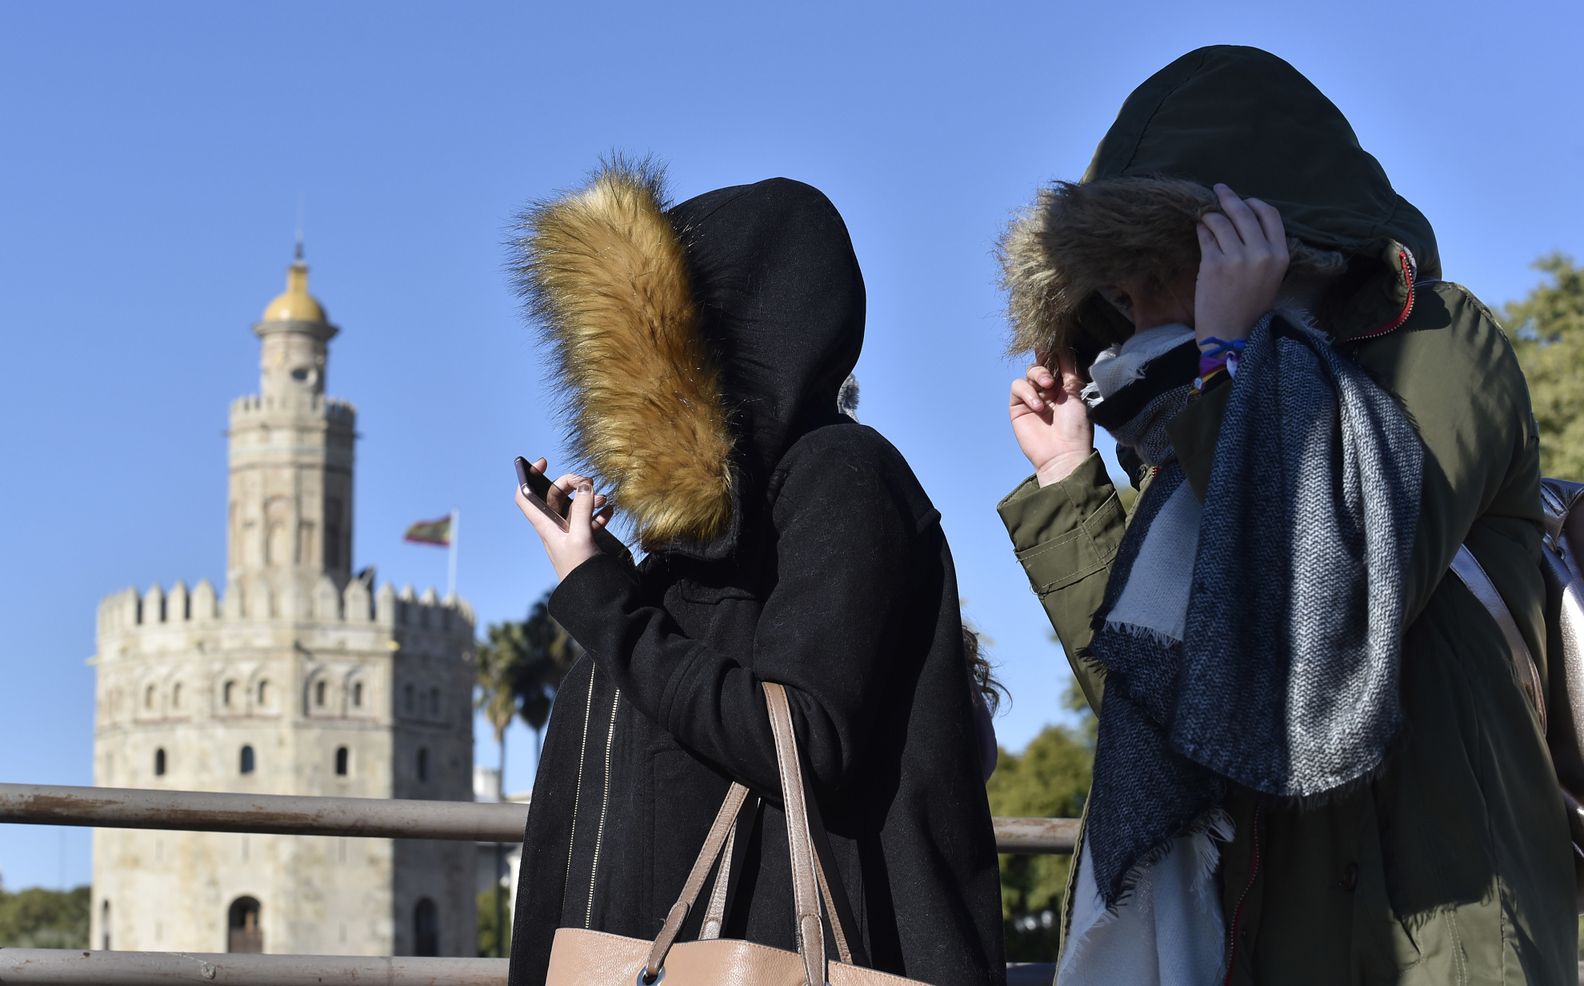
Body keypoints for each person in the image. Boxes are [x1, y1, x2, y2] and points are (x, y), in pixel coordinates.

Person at [996, 46, 1575, 985]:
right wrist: (1070, 482)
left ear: (1258, 240)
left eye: (1153, 268)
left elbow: (1326, 613)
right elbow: (1176, 704)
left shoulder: (1438, 339)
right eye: (1114, 286)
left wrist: (1230, 358)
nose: (1132, 305)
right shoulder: (1195, 427)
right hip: (1255, 945)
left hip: (1436, 944)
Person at [505, 164, 1007, 986]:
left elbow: (800, 737)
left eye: (659, 340)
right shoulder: (687, 562)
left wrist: (605, 604)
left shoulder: (842, 479)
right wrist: (613, 580)